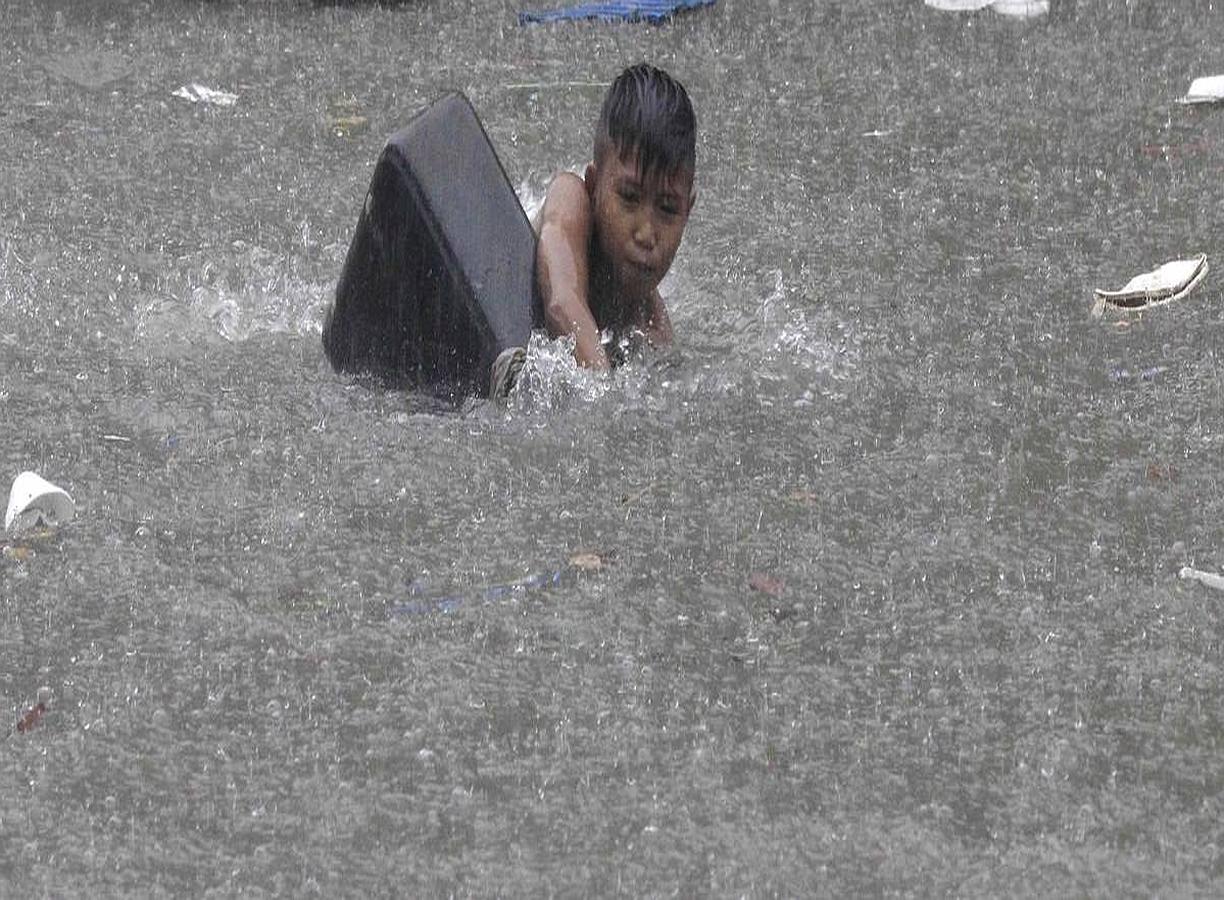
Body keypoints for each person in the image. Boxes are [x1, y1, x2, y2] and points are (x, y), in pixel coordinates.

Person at [533, 63, 698, 371]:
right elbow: (562, 301)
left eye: (667, 209)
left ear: (688, 211)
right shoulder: (571, 199)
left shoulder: (651, 320)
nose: (647, 234)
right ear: (594, 186)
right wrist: (603, 390)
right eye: (630, 198)